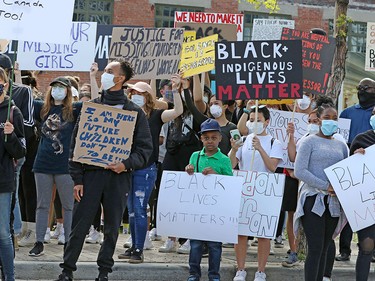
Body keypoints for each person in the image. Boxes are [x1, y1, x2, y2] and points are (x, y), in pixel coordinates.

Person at [55, 59, 153, 281]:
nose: (104, 74)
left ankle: (103, 273)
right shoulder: (92, 108)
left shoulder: (134, 113)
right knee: (79, 227)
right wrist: (77, 179)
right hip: (89, 178)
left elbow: (145, 150)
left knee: (111, 228)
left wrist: (125, 164)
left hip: (117, 178)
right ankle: (67, 270)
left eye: (109, 71)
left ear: (120, 79)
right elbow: (75, 145)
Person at [117, 76, 183, 263]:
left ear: (147, 96)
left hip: (145, 168)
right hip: (128, 167)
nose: (135, 95)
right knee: (131, 209)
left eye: (139, 93)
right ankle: (134, 247)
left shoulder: (156, 115)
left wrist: (176, 91)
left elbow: (178, 111)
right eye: (133, 93)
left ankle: (139, 249)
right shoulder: (127, 113)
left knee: (139, 208)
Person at [294, 104, 348, 281]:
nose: (331, 122)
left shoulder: (342, 146)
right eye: (327, 118)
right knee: (315, 247)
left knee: (325, 247)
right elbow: (300, 171)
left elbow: (346, 172)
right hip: (312, 200)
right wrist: (326, 186)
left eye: (334, 118)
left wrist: (359, 155)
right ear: (318, 119)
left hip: (333, 203)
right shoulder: (308, 142)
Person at [29, 77, 82, 256]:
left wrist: (92, 76)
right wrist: (20, 72)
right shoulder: (42, 108)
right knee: (42, 205)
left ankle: (69, 242)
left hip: (65, 165)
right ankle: (39, 242)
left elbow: (96, 105)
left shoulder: (74, 110)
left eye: (61, 87)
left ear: (68, 91)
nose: (57, 90)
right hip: (43, 163)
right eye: (54, 87)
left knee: (68, 206)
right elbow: (24, 94)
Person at [229, 105, 283, 281]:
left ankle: (261, 270)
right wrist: (235, 149)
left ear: (267, 122)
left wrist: (260, 148)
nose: (254, 123)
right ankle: (241, 269)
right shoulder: (244, 140)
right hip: (245, 190)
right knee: (241, 233)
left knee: (263, 234)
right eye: (251, 120)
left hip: (265, 191)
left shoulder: (275, 143)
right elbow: (231, 165)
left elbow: (273, 167)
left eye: (258, 120)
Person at [185, 118, 233, 281]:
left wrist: (216, 176)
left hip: (216, 210)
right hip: (198, 208)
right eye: (206, 138)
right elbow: (189, 180)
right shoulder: (195, 156)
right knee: (196, 244)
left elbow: (229, 184)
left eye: (213, 137)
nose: (210, 141)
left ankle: (214, 275)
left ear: (220, 138)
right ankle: (193, 273)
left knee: (214, 245)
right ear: (201, 139)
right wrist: (189, 170)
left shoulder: (224, 160)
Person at [336, 78, 375, 262]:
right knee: (350, 211)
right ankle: (344, 250)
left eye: (366, 88)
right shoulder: (347, 113)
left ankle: (370, 250)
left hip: (372, 170)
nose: (362, 91)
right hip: (352, 167)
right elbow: (341, 140)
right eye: (360, 88)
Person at [0, 54, 35, 247]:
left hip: (14, 150)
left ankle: (14, 231)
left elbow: (29, 123)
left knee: (10, 191)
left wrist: (12, 129)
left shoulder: (23, 91)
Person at [0, 66, 27, 281]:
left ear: (5, 84)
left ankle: (9, 277)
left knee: (2, 234)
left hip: (2, 181)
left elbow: (20, 152)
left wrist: (11, 136)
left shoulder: (12, 111)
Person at [348, 106, 375, 281]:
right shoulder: (361, 139)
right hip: (367, 204)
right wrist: (356, 158)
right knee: (366, 247)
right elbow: (349, 175)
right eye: (374, 113)